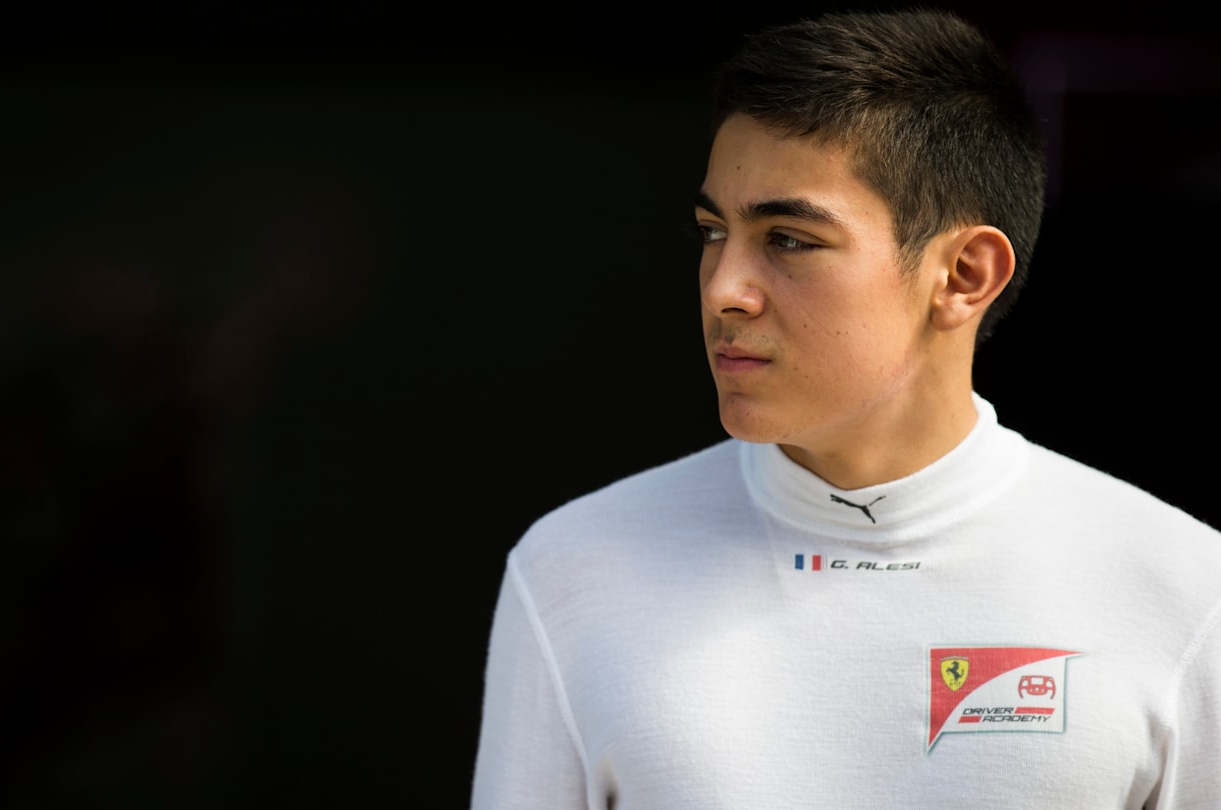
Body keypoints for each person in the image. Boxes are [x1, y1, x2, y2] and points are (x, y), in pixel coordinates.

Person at [469, 9, 1221, 809]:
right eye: (711, 231)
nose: (724, 288)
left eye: (788, 238)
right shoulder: (573, 571)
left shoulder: (1181, 588)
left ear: (965, 274)